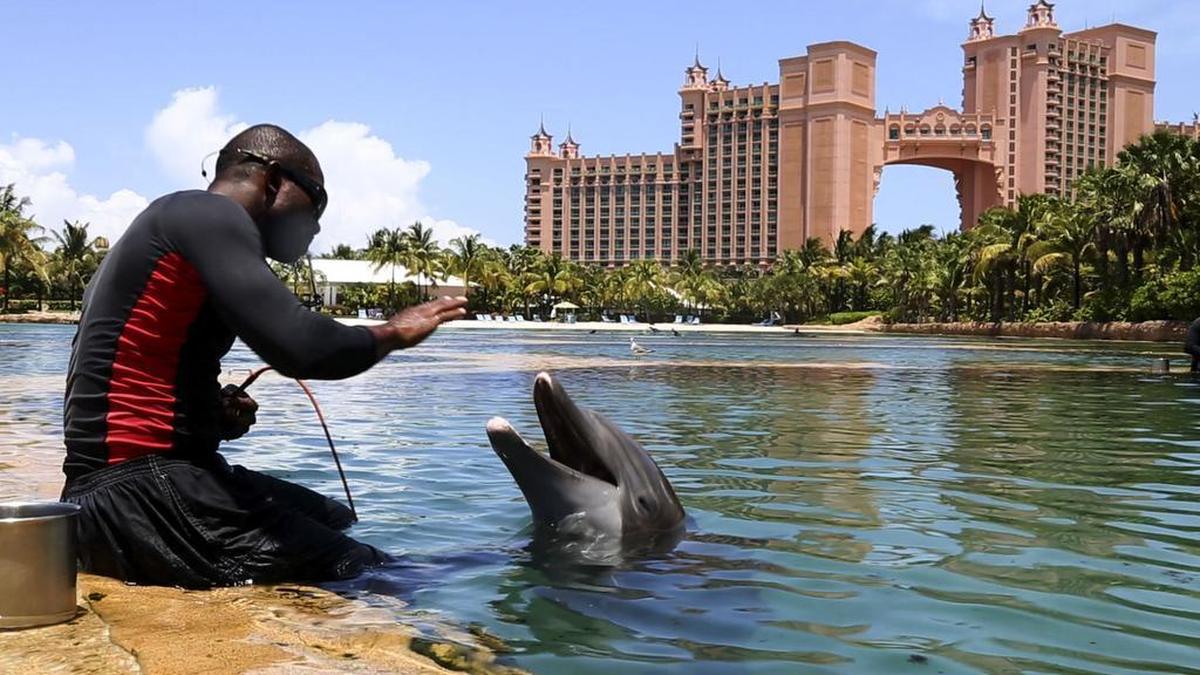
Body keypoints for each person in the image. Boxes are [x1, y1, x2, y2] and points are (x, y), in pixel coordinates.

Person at [60, 124, 467, 588]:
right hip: (141, 491)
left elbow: (129, 374)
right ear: (272, 180)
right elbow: (305, 348)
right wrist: (393, 332)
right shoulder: (207, 213)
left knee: (333, 516)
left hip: (121, 487)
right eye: (317, 201)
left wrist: (213, 413)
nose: (316, 224)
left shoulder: (168, 227)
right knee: (375, 572)